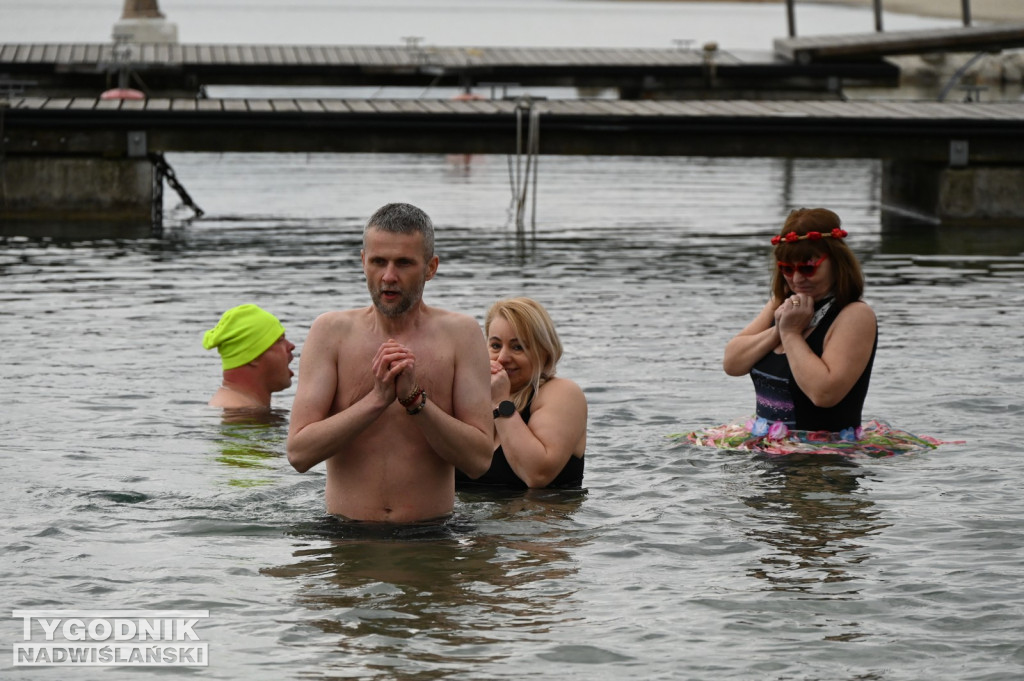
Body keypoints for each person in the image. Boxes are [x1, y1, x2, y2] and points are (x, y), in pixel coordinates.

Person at [286, 202, 492, 523]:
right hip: (345, 534)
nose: (389, 276)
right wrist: (376, 400)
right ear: (363, 261)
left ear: (431, 267)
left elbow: (479, 460)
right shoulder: (331, 333)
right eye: (379, 261)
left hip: (431, 536)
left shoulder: (460, 335)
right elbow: (299, 453)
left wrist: (415, 402)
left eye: (404, 263)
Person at [722, 208, 877, 434]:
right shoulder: (782, 303)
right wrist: (779, 330)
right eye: (787, 269)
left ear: (836, 262)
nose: (797, 279)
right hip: (768, 452)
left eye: (808, 268)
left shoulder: (854, 315)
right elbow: (732, 364)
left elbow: (824, 393)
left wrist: (792, 335)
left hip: (823, 460)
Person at [457, 297, 587, 489]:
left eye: (518, 347)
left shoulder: (563, 393)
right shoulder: (469, 397)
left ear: (544, 353)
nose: (502, 358)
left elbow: (537, 475)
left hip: (535, 516)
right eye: (495, 345)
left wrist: (501, 402)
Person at [203, 303, 295, 409]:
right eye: (279, 340)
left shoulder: (249, 405)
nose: (291, 346)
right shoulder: (237, 412)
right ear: (253, 356)